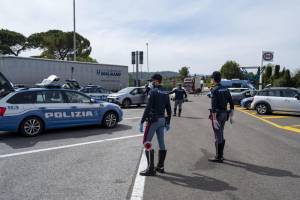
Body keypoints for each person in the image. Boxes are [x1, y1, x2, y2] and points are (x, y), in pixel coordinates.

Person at [139, 74, 172, 176]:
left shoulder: (153, 92)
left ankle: (151, 168)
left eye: (152, 81)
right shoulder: (165, 92)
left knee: (146, 142)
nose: (152, 83)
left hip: (153, 120)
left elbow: (148, 107)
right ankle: (160, 166)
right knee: (161, 142)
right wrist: (168, 122)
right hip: (162, 120)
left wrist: (142, 121)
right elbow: (169, 109)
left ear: (156, 81)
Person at [209, 71, 234, 163]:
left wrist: (214, 118)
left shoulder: (214, 90)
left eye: (211, 78)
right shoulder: (226, 89)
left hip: (218, 114)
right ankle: (221, 155)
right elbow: (231, 103)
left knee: (217, 135)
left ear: (213, 79)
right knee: (221, 133)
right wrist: (231, 115)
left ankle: (218, 157)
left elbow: (213, 105)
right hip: (225, 114)